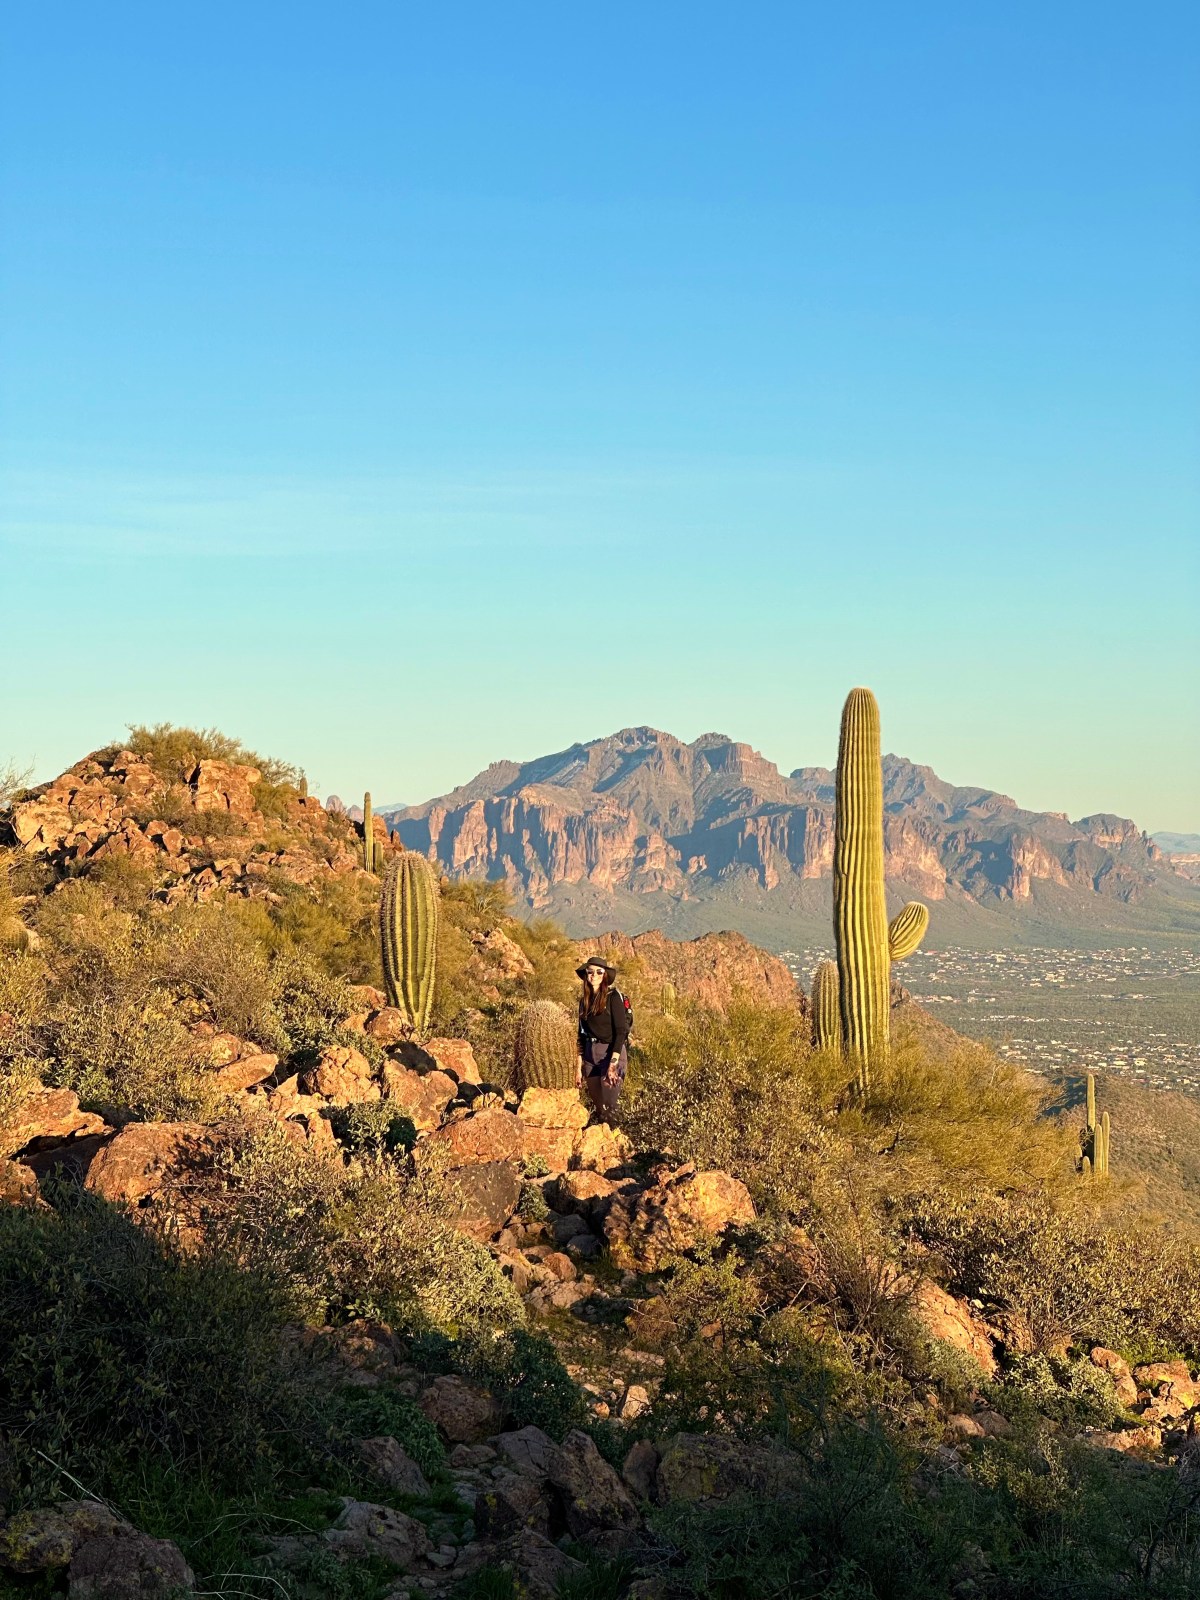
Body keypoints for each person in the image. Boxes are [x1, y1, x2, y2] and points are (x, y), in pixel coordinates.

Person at [575, 955, 629, 1121]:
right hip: (591, 1055)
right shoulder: (584, 1002)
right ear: (586, 975)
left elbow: (621, 1031)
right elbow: (581, 1035)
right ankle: (601, 1140)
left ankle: (617, 1140)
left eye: (599, 972)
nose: (594, 975)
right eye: (590, 972)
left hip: (611, 1052)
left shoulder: (612, 998)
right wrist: (578, 1068)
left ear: (605, 975)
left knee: (610, 1104)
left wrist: (613, 1064)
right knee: (599, 1106)